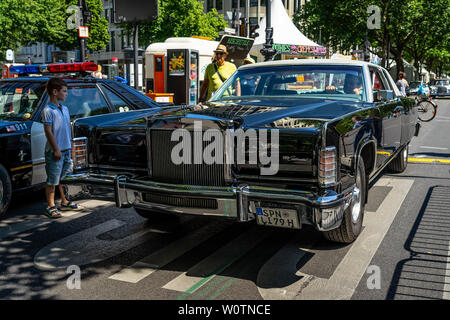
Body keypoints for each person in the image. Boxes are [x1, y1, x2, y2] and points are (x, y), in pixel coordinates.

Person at [42, 78, 83, 218]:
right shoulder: (48, 110)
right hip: (55, 151)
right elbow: (48, 131)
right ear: (55, 92)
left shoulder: (64, 109)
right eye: (64, 91)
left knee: (64, 179)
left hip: (66, 149)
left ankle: (65, 201)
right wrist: (56, 149)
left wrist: (70, 147)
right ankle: (51, 205)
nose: (66, 94)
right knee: (53, 179)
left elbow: (67, 129)